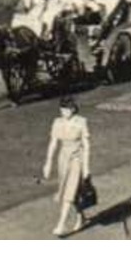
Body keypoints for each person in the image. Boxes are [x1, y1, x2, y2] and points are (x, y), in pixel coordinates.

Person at [40, 96, 92, 237]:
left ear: (73, 109)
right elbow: (53, 143)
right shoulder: (57, 122)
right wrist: (48, 163)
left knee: (69, 191)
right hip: (63, 159)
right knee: (71, 190)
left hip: (77, 159)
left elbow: (86, 145)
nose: (64, 112)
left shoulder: (81, 122)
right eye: (62, 110)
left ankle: (61, 225)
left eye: (67, 109)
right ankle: (81, 217)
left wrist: (86, 167)